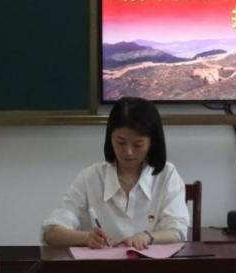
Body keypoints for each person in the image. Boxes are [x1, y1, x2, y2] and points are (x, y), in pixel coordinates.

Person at [42, 96, 190, 249]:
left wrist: (147, 236)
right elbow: (50, 233)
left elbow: (177, 231)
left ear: (152, 142)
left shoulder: (166, 175)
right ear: (110, 138)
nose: (128, 151)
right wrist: (86, 238)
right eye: (121, 142)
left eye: (138, 144)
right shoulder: (90, 178)